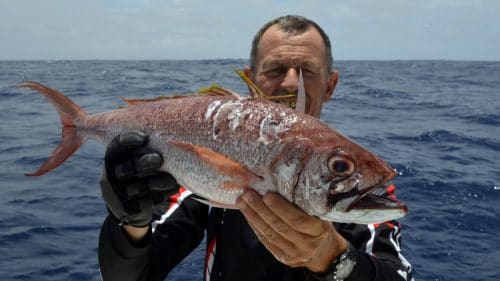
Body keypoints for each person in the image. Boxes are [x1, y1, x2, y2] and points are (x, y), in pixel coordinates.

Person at [98, 15, 414, 281]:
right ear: (252, 78)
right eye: (275, 69)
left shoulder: (355, 190)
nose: (291, 83)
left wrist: (335, 259)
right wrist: (131, 223)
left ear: (330, 84)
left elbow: (395, 273)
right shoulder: (199, 182)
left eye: (307, 71)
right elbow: (132, 275)